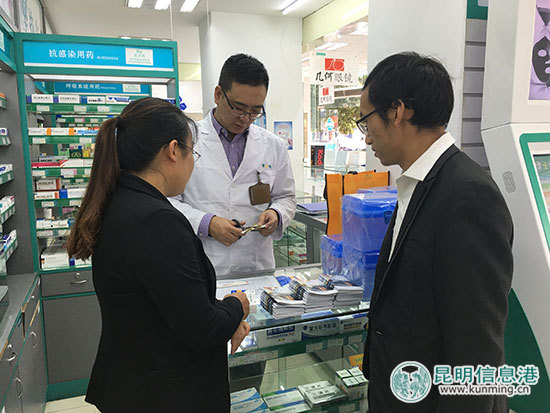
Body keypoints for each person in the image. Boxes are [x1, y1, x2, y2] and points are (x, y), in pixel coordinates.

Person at [67, 98, 250, 412]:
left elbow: (167, 303)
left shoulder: (121, 201)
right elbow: (201, 328)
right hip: (164, 393)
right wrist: (237, 306)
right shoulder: (156, 221)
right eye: (192, 152)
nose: (192, 163)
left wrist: (221, 313)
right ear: (173, 151)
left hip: (135, 383)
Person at [359, 53, 513, 412]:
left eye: (367, 121)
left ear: (397, 112)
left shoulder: (468, 196)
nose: (366, 138)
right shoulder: (418, 182)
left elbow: (476, 348)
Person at [170, 53, 296, 276]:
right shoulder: (185, 139)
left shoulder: (273, 145)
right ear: (218, 94)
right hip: (202, 263)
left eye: (255, 111)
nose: (245, 118)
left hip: (256, 264)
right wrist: (206, 223)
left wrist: (276, 214)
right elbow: (167, 200)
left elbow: (286, 197)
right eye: (238, 107)